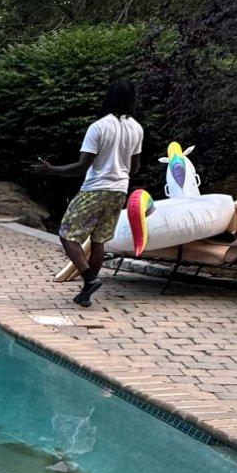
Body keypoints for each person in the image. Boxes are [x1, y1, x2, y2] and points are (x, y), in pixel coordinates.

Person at [37, 83, 143, 307]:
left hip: (95, 189)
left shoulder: (99, 127)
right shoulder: (137, 129)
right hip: (119, 191)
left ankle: (89, 277)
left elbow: (82, 166)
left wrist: (52, 170)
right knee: (99, 240)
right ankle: (86, 293)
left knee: (67, 234)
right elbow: (134, 168)